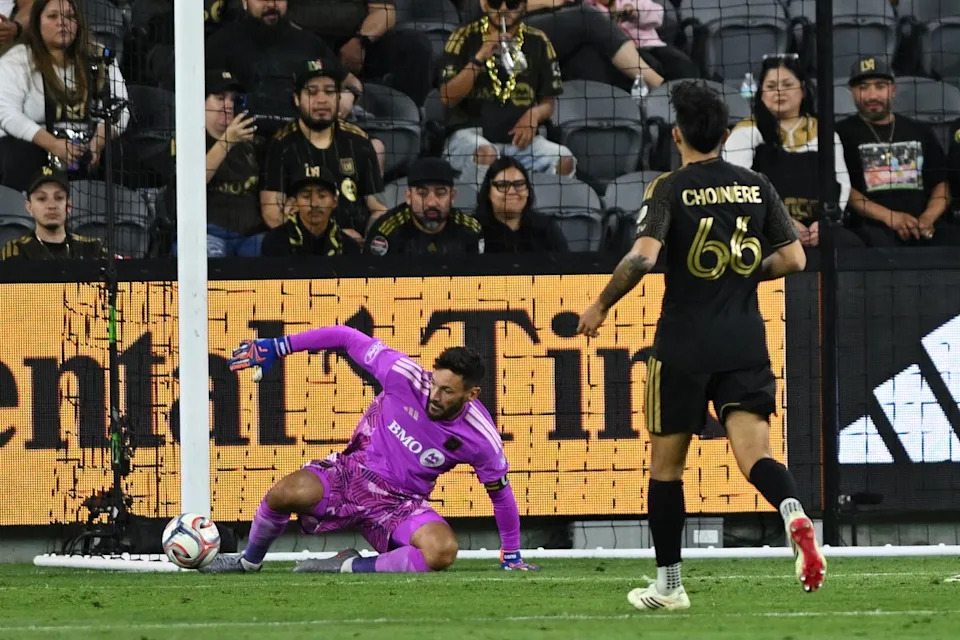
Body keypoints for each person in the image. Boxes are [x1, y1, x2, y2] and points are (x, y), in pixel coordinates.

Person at [576, 81, 825, 610]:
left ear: (677, 135)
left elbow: (643, 257)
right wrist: (739, 276)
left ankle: (669, 587)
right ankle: (794, 512)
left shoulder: (670, 187)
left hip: (684, 346)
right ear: (725, 134)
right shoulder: (757, 185)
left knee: (666, 469)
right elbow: (794, 260)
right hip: (745, 342)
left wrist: (600, 306)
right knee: (755, 455)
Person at [202, 326, 540, 574]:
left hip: (399, 505)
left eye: (447, 391)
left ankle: (346, 565)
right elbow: (346, 336)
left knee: (441, 552)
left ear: (472, 394)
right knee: (282, 493)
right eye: (434, 383)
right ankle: (249, 562)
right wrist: (280, 345)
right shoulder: (403, 375)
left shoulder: (480, 437)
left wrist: (511, 553)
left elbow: (501, 495)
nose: (434, 396)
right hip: (351, 475)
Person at [724, 54, 861, 249]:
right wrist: (780, 224)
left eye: (788, 85)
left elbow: (841, 182)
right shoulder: (746, 132)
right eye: (771, 87)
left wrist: (825, 223)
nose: (779, 91)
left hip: (819, 227)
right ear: (761, 94)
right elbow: (736, 190)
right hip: (763, 230)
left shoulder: (823, 132)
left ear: (803, 90)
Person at [440, 0, 576, 186]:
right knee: (486, 153)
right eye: (496, 2)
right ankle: (473, 210)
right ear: (485, 5)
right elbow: (447, 98)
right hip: (470, 134)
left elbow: (548, 102)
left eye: (511, 2)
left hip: (519, 139)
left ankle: (545, 212)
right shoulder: (463, 37)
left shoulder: (538, 40)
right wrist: (480, 57)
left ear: (524, 5)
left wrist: (534, 115)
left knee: (564, 160)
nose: (503, 9)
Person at [0, 0, 130, 191]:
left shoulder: (100, 55)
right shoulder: (18, 59)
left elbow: (121, 108)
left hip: (89, 142)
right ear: (37, 22)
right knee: (17, 154)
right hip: (35, 146)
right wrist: (52, 144)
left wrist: (97, 143)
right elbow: (6, 114)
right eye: (52, 16)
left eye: (70, 17)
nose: (62, 22)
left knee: (121, 152)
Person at [837, 56, 960, 247]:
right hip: (871, 228)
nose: (872, 96)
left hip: (924, 224)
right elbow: (844, 188)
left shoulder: (920, 130)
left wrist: (928, 218)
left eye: (880, 86)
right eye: (863, 87)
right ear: (851, 92)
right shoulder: (840, 134)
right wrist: (890, 217)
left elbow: (941, 184)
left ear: (893, 90)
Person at [260, 57, 385, 238]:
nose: (322, 100)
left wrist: (367, 242)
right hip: (303, 249)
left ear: (339, 97)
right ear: (296, 99)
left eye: (329, 92)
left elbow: (379, 209)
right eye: (312, 93)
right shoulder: (281, 145)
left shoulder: (359, 142)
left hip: (353, 251)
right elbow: (271, 215)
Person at [204, 0, 336, 136]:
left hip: (300, 140)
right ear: (244, 2)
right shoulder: (220, 44)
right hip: (241, 139)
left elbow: (346, 83)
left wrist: (348, 95)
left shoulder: (310, 44)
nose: (271, 5)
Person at [287, 0, 434, 106]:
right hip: (301, 40)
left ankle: (413, 118)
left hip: (356, 39)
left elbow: (384, 10)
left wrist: (361, 41)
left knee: (414, 44)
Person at [365, 157, 483, 256]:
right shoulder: (386, 232)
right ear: (408, 197)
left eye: (440, 193)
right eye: (422, 193)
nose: (432, 203)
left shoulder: (470, 230)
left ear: (452, 196)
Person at [201, 69, 263, 257]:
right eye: (220, 98)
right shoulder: (189, 140)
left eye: (232, 100)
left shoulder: (249, 142)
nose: (228, 105)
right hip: (207, 233)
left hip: (250, 236)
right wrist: (227, 141)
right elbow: (192, 185)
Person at [0, 165, 104, 260]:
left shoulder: (92, 247)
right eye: (42, 198)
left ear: (69, 205)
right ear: (29, 207)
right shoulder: (17, 249)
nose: (51, 206)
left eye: (59, 198)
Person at [260, 164, 359, 257]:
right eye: (306, 196)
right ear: (295, 203)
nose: (314, 204)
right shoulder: (275, 242)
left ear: (335, 202)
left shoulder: (349, 247)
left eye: (322, 196)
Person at [585, 0, 698, 81]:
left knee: (682, 64)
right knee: (653, 67)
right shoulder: (589, 10)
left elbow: (657, 14)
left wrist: (636, 13)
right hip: (624, 54)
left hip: (652, 46)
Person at [475, 156, 568, 252]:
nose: (512, 191)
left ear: (527, 191)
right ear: (488, 192)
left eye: (519, 184)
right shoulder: (472, 230)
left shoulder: (547, 228)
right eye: (502, 185)